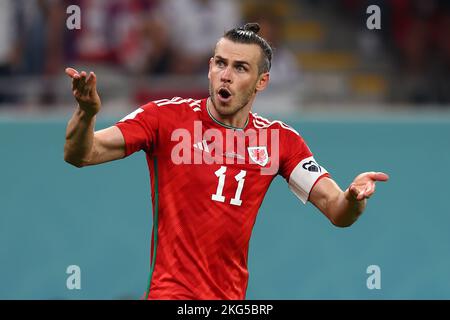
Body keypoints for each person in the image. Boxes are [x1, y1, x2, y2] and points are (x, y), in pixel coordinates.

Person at [64, 23, 389, 300]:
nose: (226, 76)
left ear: (261, 82)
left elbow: (337, 210)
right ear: (209, 67)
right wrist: (86, 112)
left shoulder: (278, 140)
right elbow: (81, 154)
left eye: (240, 68)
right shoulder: (165, 118)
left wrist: (353, 198)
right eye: (220, 63)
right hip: (170, 293)